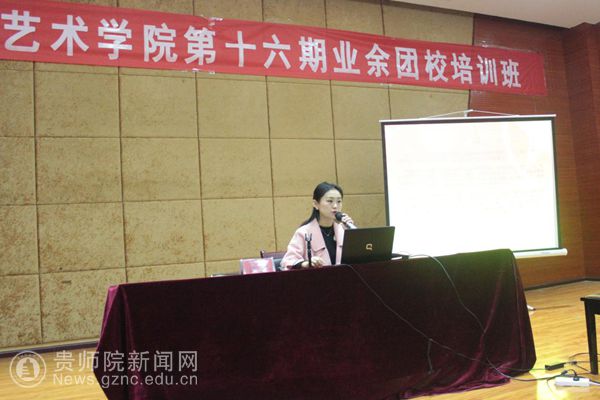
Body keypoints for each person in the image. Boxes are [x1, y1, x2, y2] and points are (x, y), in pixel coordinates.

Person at [280, 182, 355, 270]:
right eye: (330, 201)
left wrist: (351, 234)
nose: (335, 206)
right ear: (316, 204)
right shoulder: (304, 232)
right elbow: (288, 261)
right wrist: (305, 263)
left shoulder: (343, 230)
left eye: (339, 201)